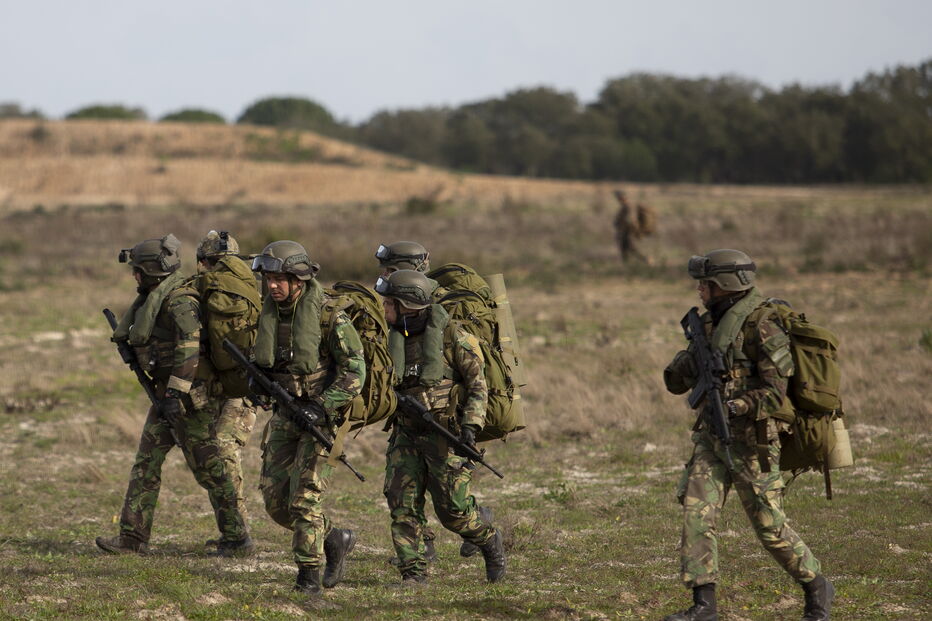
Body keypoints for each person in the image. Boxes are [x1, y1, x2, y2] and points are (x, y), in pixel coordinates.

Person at [661, 249, 834, 621]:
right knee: (697, 514)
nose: (699, 290)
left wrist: (737, 406)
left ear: (724, 286)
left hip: (753, 443)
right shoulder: (708, 325)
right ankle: (703, 604)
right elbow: (680, 381)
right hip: (711, 438)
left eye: (704, 284)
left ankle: (816, 585)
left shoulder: (763, 325)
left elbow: (776, 393)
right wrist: (686, 365)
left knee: (769, 527)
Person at [96, 234, 252, 556]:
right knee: (146, 462)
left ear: (149, 271)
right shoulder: (155, 297)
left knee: (209, 469)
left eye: (137, 270)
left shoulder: (181, 300)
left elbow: (189, 348)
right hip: (165, 395)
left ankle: (237, 538)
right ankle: (132, 538)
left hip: (190, 400)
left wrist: (175, 395)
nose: (134, 276)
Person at [376, 269, 505, 586]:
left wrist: (470, 428)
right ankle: (413, 573)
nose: (385, 309)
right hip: (406, 433)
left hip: (445, 435)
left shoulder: (456, 337)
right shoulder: (394, 338)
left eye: (390, 303)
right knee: (402, 504)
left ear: (409, 306)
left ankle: (489, 541)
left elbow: (478, 387)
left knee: (453, 512)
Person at [251, 240, 365, 595]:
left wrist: (321, 405)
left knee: (304, 501)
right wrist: (258, 384)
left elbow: (355, 372)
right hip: (285, 416)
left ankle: (309, 577)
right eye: (268, 278)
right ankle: (335, 538)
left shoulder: (331, 316)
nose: (272, 285)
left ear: (299, 279)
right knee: (276, 503)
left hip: (322, 421)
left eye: (280, 278)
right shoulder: (269, 313)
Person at [193, 230, 262, 555]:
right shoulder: (254, 284)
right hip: (249, 383)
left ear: (204, 262)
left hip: (220, 385)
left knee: (221, 453)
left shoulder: (203, 286)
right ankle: (235, 532)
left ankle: (238, 535)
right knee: (225, 452)